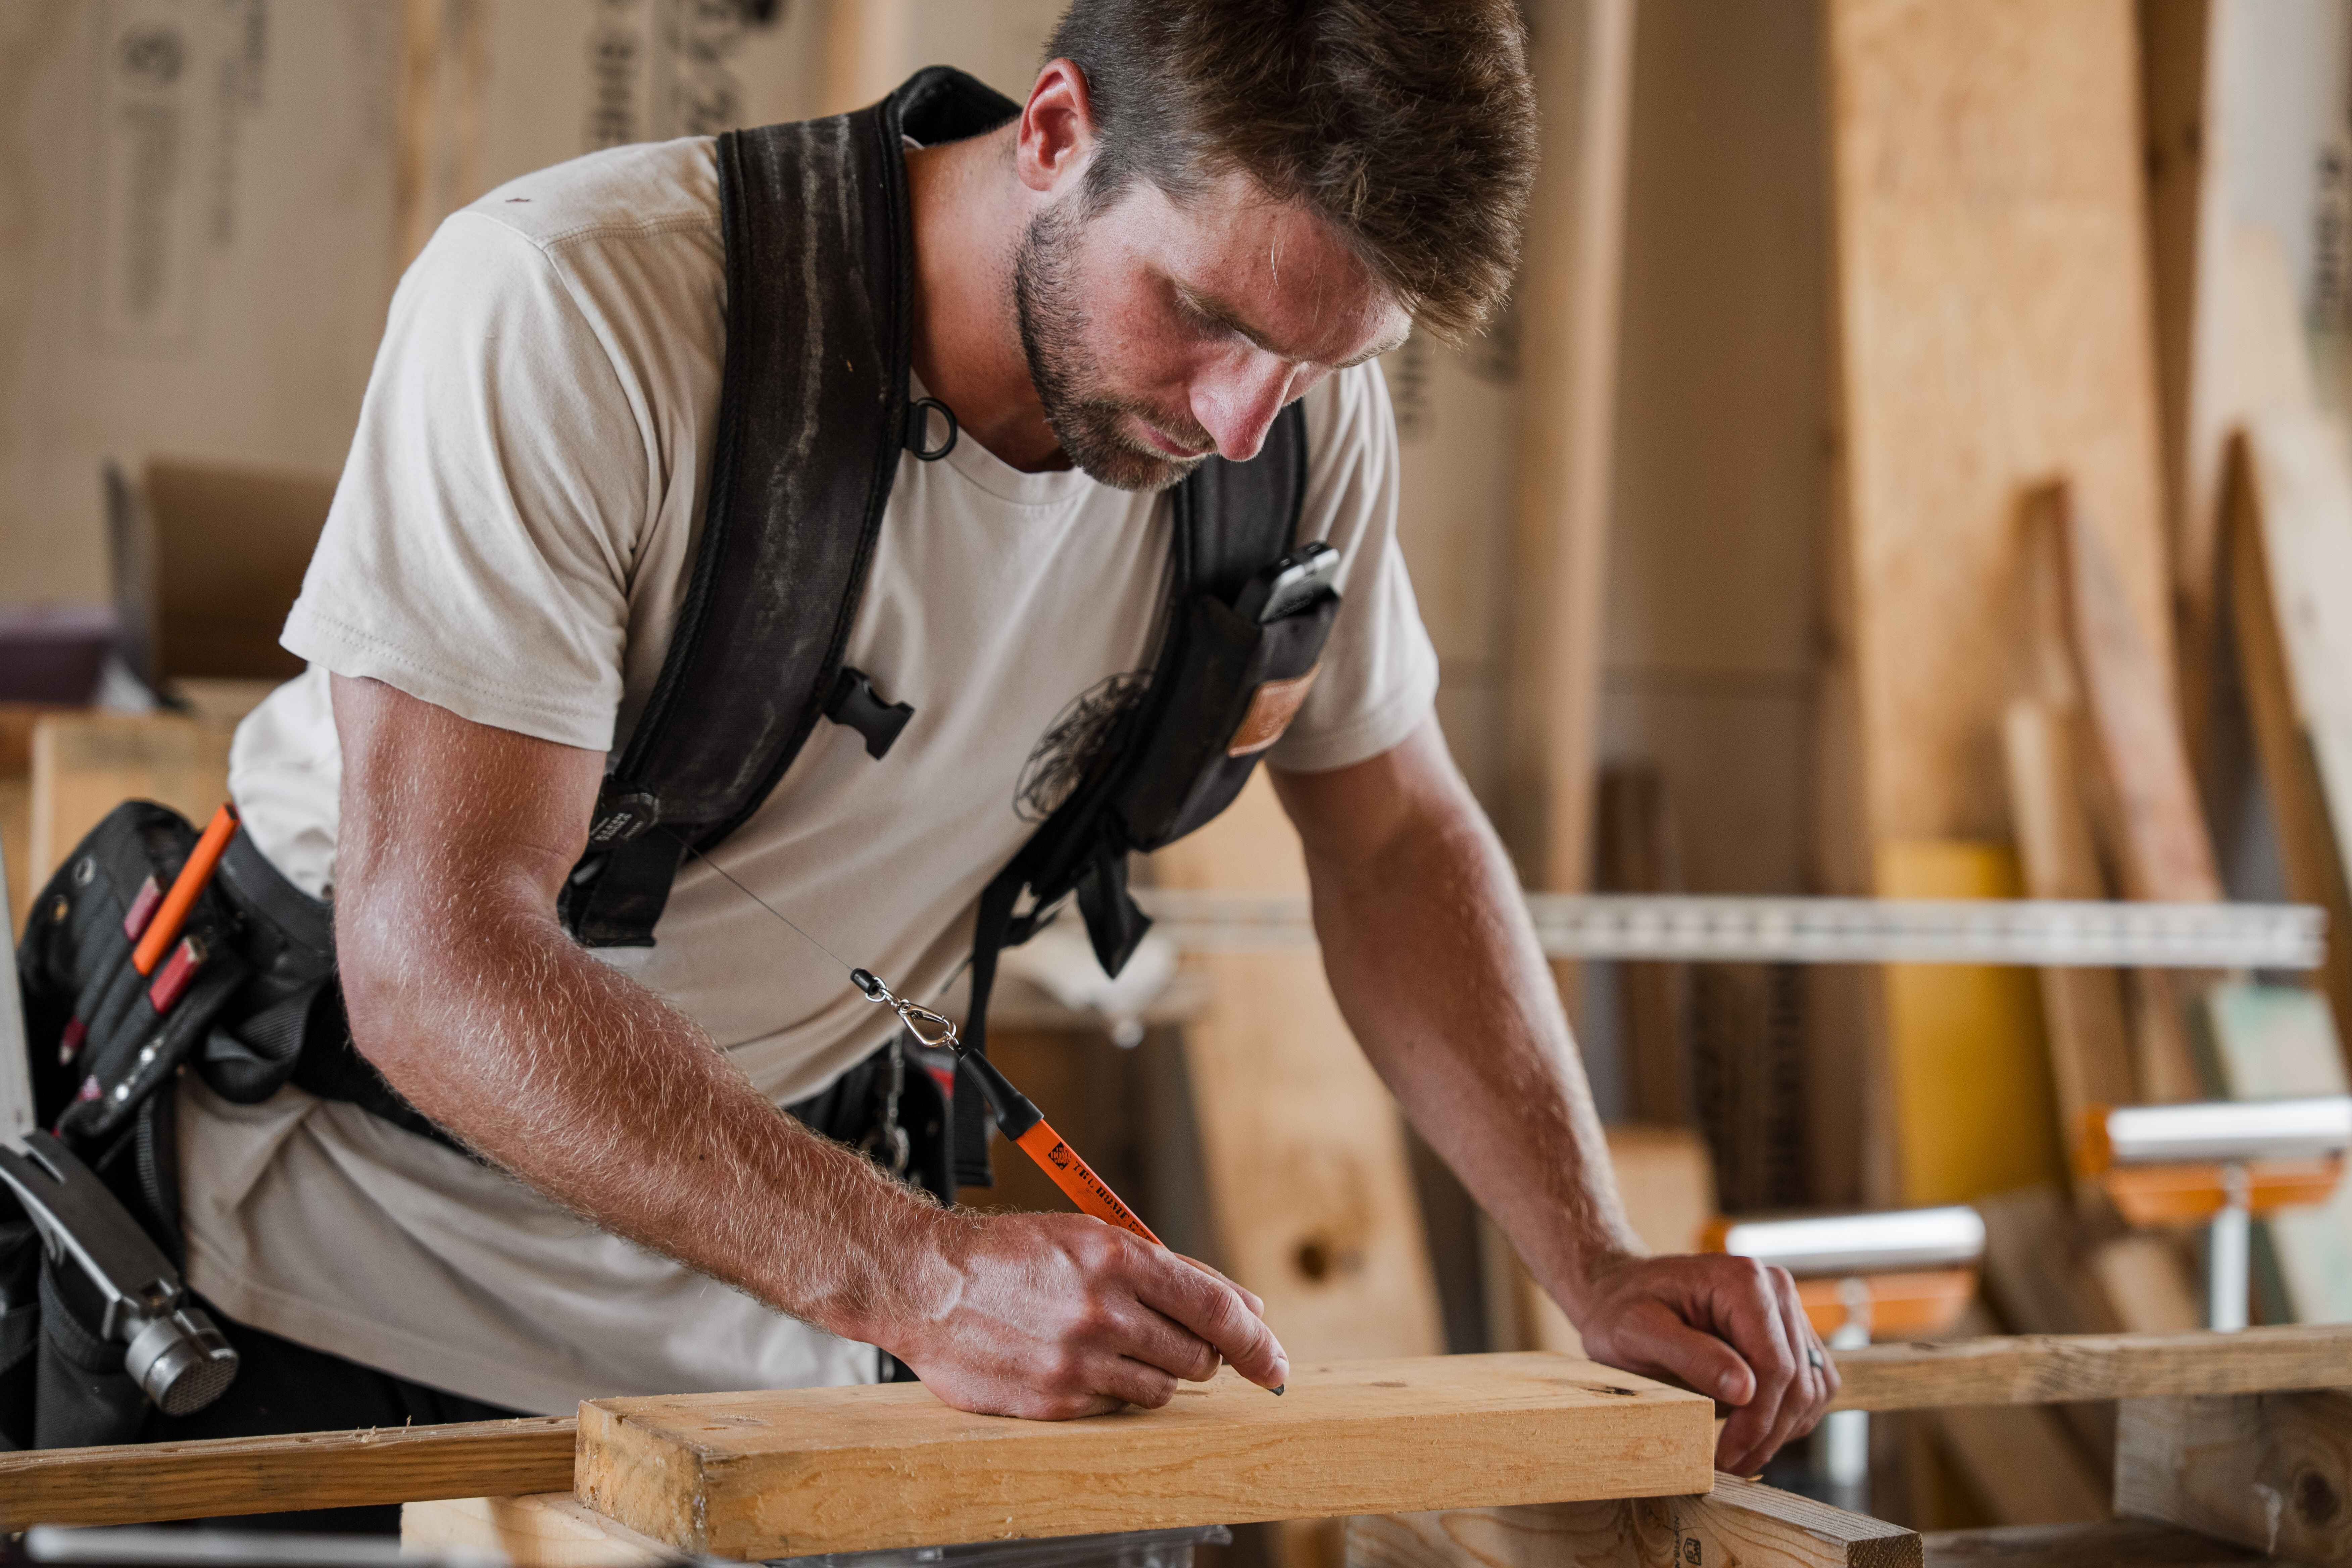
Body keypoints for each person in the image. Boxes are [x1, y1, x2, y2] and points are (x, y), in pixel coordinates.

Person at [173, 0, 1833, 1498]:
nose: (1245, 417)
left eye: (1326, 359)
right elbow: (436, 954)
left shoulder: (1290, 421)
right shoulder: (579, 308)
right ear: (1052, 133)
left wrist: (1599, 1260)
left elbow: (1395, 844)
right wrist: (923, 1275)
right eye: (1205, 315)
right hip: (328, 1248)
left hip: (761, 1286)